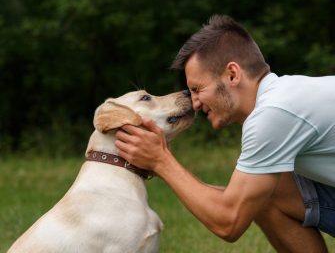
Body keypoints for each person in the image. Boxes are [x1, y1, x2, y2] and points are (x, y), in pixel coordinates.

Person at [115, 14, 335, 252]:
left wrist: (160, 160)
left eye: (197, 89)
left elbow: (229, 221)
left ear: (232, 74)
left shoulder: (273, 114)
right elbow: (239, 200)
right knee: (263, 191)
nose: (195, 103)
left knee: (258, 196)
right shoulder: (286, 98)